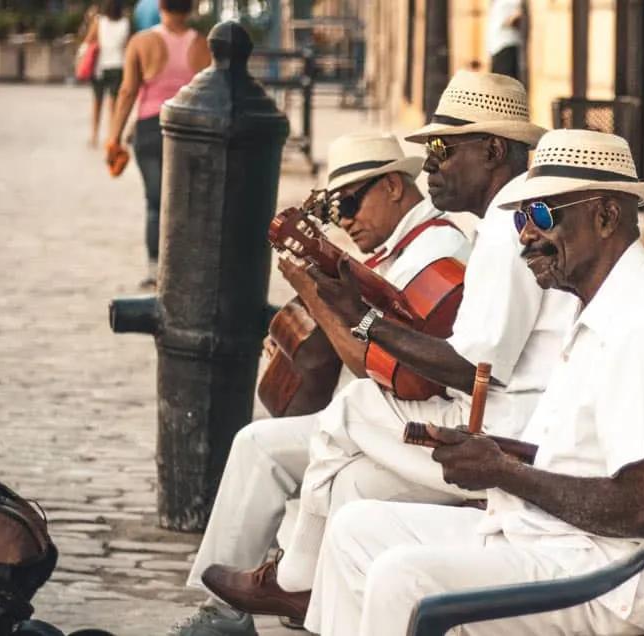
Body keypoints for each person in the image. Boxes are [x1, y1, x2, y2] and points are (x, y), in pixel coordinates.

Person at [306, 129, 644, 635]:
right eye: (523, 218)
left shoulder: (641, 323)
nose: (527, 235)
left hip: (616, 581)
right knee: (356, 530)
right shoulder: (600, 303)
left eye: (545, 215)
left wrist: (503, 473)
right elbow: (584, 457)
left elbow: (640, 506)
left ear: (606, 216)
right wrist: (494, 456)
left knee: (406, 577)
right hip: (563, 543)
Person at [198, 71, 579, 630]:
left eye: (444, 150)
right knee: (352, 486)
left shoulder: (506, 228)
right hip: (507, 412)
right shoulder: (507, 222)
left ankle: (295, 579)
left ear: (494, 149)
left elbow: (473, 367)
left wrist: (366, 320)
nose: (430, 166)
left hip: (507, 426)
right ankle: (295, 596)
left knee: (353, 411)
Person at [166, 132, 473, 636]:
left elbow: (377, 364)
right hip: (396, 417)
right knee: (257, 444)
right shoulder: (393, 250)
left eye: (352, 202)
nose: (346, 220)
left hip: (423, 422)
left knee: (342, 433)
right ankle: (223, 609)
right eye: (336, 211)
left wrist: (317, 296)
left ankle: (294, 586)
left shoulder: (436, 250)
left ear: (394, 186)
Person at [106, 0, 210, 289]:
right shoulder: (203, 45)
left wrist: (113, 137)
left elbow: (127, 91)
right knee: (189, 202)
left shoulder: (141, 43)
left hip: (151, 127)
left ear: (160, 6)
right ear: (190, 8)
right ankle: (187, 267)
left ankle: (155, 271)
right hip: (192, 129)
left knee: (155, 202)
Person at [82, 0, 130, 148]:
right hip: (118, 66)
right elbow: (126, 46)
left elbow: (88, 40)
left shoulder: (99, 22)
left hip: (100, 67)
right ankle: (112, 135)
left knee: (97, 102)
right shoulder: (125, 23)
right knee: (113, 104)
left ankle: (94, 135)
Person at [486, 0, 523, 79]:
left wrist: (509, 22)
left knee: (506, 81)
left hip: (507, 44)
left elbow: (518, 14)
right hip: (496, 47)